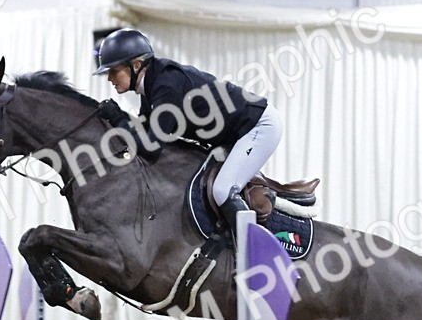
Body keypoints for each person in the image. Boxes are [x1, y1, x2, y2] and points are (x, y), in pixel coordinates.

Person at [92, 27, 281, 232]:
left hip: (258, 126)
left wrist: (118, 117)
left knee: (222, 191)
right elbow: (142, 133)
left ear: (136, 65)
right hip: (234, 134)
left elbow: (151, 146)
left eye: (113, 71)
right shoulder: (150, 87)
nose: (110, 78)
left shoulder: (167, 85)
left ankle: (250, 252)